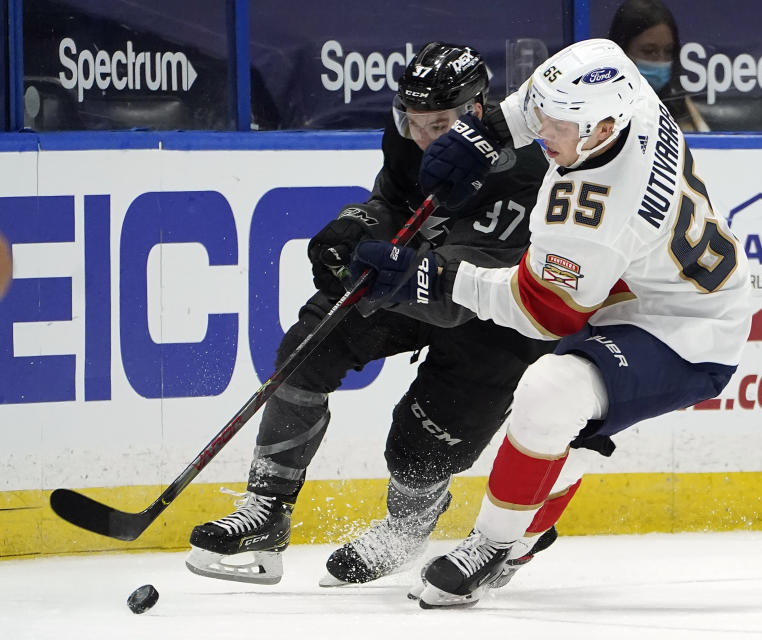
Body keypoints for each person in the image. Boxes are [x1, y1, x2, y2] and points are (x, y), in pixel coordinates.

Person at [350, 38, 752, 608]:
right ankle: (527, 536)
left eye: (558, 129)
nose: (543, 136)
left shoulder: (593, 210)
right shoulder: (616, 79)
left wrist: (434, 279)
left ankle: (493, 545)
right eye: (544, 117)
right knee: (564, 426)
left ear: (602, 130)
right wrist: (485, 132)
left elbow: (541, 312)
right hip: (634, 286)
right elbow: (537, 104)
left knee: (550, 390)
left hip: (687, 329)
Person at [185, 42, 555, 587]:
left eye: (439, 123)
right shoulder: (409, 138)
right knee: (310, 345)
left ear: (478, 111)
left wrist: (392, 264)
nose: (423, 136)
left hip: (500, 315)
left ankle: (409, 527)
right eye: (412, 121)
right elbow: (394, 204)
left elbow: (460, 295)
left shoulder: (526, 169)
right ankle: (267, 509)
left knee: (416, 444)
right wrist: (357, 225)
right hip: (418, 276)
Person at [608, 0, 709, 132]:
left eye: (668, 51)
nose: (661, 60)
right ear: (622, 51)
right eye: (649, 51)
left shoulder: (682, 107)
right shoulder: (603, 112)